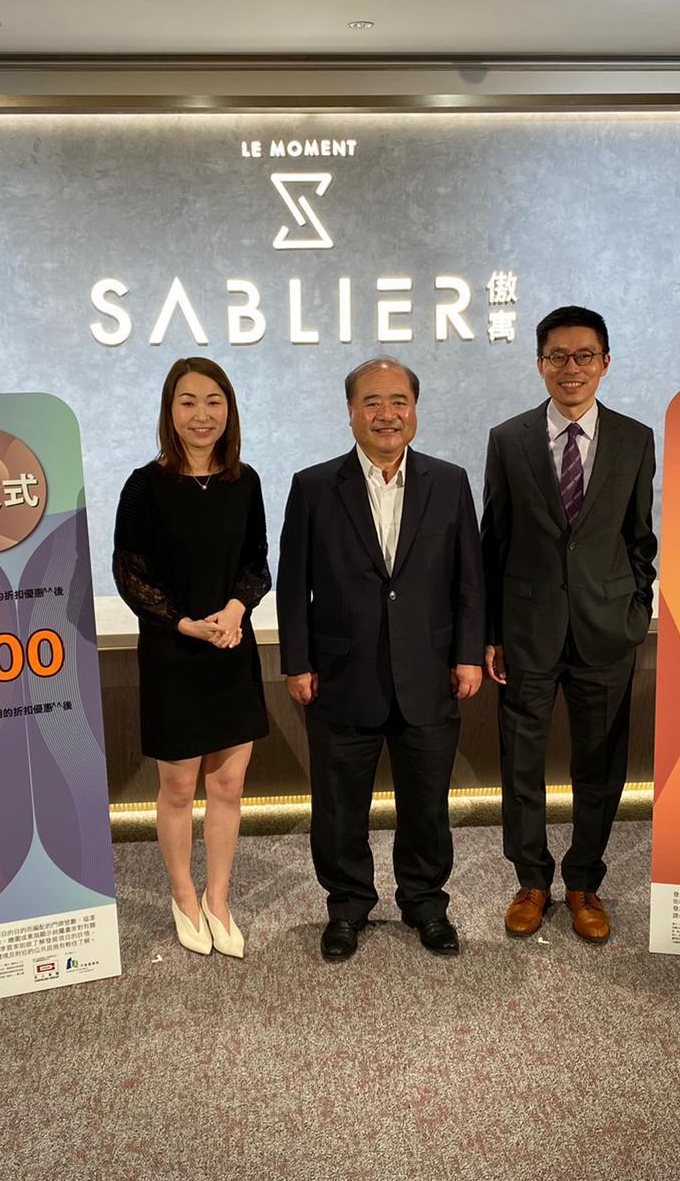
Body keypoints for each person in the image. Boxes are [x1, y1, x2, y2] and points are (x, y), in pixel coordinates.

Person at [278, 356, 484, 961]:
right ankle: (346, 906)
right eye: (371, 402)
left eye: (399, 401)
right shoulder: (314, 486)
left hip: (429, 672)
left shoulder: (449, 481)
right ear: (350, 412)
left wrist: (468, 655)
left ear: (415, 410)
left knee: (428, 805)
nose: (386, 414)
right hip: (341, 676)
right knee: (340, 806)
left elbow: (469, 580)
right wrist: (297, 661)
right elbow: (293, 585)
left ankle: (425, 903)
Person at [480, 305, 657, 943]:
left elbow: (640, 537)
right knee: (520, 763)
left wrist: (635, 609)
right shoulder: (509, 439)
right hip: (527, 631)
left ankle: (584, 881)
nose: (571, 368)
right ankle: (531, 879)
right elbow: (493, 541)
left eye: (584, 356)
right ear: (540, 364)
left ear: (605, 363)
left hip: (606, 631)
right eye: (557, 356)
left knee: (600, 767)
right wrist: (491, 632)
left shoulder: (636, 439)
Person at [113, 357, 270, 958]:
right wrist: (184, 622)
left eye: (213, 401)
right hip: (173, 652)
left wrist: (234, 610)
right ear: (169, 411)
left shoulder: (245, 481)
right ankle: (183, 895)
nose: (201, 415)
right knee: (178, 788)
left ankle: (218, 898)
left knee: (229, 784)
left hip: (230, 647)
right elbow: (130, 574)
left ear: (229, 409)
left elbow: (256, 563)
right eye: (188, 402)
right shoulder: (144, 486)